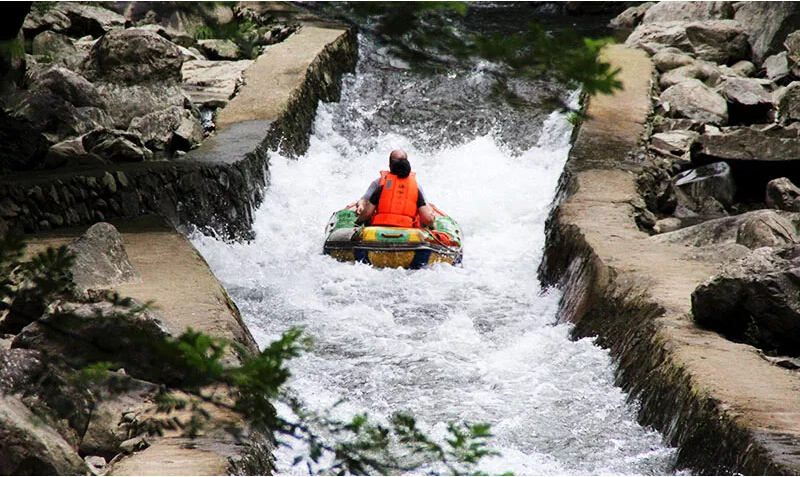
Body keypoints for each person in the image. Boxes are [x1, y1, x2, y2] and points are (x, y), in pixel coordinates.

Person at [356, 149, 435, 227]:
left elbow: (367, 213)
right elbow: (427, 218)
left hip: (381, 227)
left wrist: (357, 222)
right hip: (407, 229)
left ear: (390, 164)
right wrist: (432, 226)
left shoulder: (382, 187)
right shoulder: (415, 188)